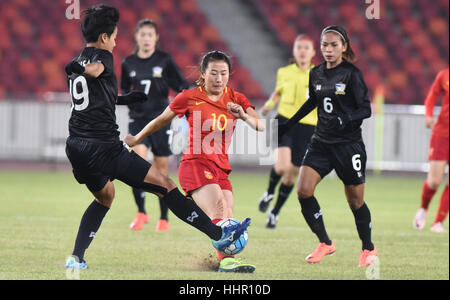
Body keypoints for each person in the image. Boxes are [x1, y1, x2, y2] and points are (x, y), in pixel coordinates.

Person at [63, 5, 250, 270]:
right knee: (166, 186)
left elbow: (90, 94)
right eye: (114, 35)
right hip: (104, 147)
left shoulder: (79, 58)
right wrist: (84, 70)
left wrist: (123, 99)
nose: (116, 40)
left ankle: (76, 258)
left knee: (104, 197)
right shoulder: (102, 58)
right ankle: (220, 235)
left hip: (76, 146)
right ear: (104, 37)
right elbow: (94, 71)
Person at [124, 50, 265, 273]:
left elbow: (261, 125)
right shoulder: (189, 97)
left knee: (228, 214)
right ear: (203, 73)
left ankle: (224, 260)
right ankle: (228, 262)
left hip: (220, 168)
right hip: (195, 164)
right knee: (218, 208)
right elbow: (160, 120)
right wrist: (137, 138)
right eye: (214, 73)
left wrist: (243, 116)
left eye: (224, 73)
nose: (219, 79)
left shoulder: (236, 98)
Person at [278, 25, 377, 267]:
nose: (329, 49)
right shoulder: (317, 73)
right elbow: (313, 100)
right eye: (324, 45)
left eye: (334, 45)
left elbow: (366, 109)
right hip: (321, 143)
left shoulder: (352, 74)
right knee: (303, 191)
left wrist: (345, 118)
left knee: (355, 201)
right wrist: (289, 124)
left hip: (349, 145)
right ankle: (325, 242)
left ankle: (368, 248)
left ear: (344, 47)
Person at [121, 19, 190, 231]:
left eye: (150, 35)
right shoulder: (128, 63)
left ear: (156, 38)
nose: (146, 39)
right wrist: (129, 98)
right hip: (138, 121)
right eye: (143, 35)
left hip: (160, 121)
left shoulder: (165, 60)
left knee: (160, 171)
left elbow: (181, 85)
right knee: (137, 164)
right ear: (137, 37)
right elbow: (124, 91)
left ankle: (163, 218)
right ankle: (141, 212)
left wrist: (187, 99)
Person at [258, 34, 317, 229]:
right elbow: (278, 92)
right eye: (299, 47)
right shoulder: (284, 72)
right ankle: (269, 191)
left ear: (313, 52)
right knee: (282, 166)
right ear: (294, 51)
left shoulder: (319, 74)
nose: (302, 51)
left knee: (292, 175)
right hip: (284, 120)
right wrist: (267, 105)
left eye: (306, 48)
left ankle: (274, 212)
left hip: (308, 126)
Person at [413, 68, 449, 233]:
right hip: (442, 133)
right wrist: (428, 115)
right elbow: (432, 96)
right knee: (435, 181)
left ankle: (438, 222)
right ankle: (423, 208)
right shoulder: (444, 75)